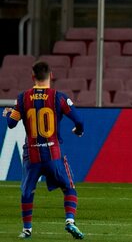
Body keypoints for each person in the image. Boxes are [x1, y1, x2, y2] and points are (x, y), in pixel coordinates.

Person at [2, 61, 85, 239]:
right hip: (53, 153)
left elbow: (11, 124)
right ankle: (70, 221)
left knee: (27, 191)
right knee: (69, 188)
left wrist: (9, 113)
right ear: (51, 76)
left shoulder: (22, 98)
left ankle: (27, 230)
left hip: (32, 155)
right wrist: (78, 130)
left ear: (32, 77)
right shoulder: (59, 97)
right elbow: (79, 121)